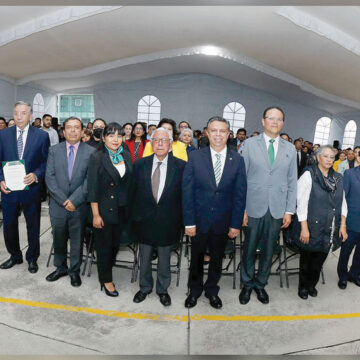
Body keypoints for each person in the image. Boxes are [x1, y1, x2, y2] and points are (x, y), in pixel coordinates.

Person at [183, 116, 247, 309]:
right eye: (214, 131)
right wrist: (189, 222)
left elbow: (240, 194)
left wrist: (236, 223)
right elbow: (187, 191)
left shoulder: (237, 159)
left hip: (223, 220)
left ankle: (212, 291)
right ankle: (194, 291)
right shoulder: (195, 156)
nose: (218, 135)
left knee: (217, 259)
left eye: (222, 131)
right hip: (199, 220)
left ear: (228, 134)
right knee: (196, 258)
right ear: (207, 133)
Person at [240, 106, 297, 305]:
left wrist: (289, 210)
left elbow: (292, 182)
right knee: (249, 248)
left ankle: (260, 284)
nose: (275, 122)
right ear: (263, 121)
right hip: (252, 206)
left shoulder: (290, 148)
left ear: (283, 123)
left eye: (279, 119)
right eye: (271, 118)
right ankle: (247, 284)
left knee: (269, 249)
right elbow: (241, 179)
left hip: (277, 208)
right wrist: (243, 209)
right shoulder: (248, 144)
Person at [132, 127, 186, 306]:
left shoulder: (181, 166)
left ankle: (162, 289)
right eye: (156, 140)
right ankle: (144, 287)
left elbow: (184, 197)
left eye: (164, 140)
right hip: (144, 220)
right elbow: (134, 192)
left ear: (170, 145)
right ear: (151, 144)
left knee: (164, 258)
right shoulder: (140, 164)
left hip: (169, 220)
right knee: (145, 257)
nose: (160, 143)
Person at [45, 117, 95, 287]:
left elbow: (90, 180)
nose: (73, 131)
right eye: (69, 128)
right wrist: (63, 200)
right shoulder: (54, 150)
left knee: (77, 239)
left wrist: (74, 200)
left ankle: (74, 271)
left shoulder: (90, 152)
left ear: (82, 132)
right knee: (58, 238)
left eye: (76, 128)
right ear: (63, 131)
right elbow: (49, 178)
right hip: (58, 205)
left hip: (79, 205)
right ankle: (60, 268)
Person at [0, 101, 50, 273]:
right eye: (16, 113)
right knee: (9, 226)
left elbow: (46, 162)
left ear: (30, 115)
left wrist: (36, 175)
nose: (19, 117)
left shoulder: (42, 136)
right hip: (9, 191)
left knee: (33, 225)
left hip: (32, 190)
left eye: (23, 113)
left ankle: (32, 258)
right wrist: (1, 179)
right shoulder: (3, 135)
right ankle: (15, 256)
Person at [295, 146, 347, 299]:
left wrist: (342, 225)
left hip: (330, 226)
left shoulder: (337, 178)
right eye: (326, 156)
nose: (329, 160)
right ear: (318, 157)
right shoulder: (309, 174)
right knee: (307, 260)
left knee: (319, 260)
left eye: (332, 157)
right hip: (311, 225)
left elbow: (342, 202)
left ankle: (312, 285)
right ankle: (303, 287)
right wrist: (304, 227)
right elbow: (301, 202)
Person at [88, 122, 132, 297]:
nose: (116, 139)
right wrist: (96, 214)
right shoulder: (97, 157)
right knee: (104, 247)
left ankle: (106, 270)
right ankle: (106, 280)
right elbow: (92, 189)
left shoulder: (126, 155)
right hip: (104, 210)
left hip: (122, 209)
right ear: (104, 137)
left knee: (115, 244)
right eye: (111, 135)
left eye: (119, 135)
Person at [337, 148, 360, 289]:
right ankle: (343, 276)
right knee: (346, 251)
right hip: (351, 221)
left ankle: (355, 274)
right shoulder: (349, 174)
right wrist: (342, 223)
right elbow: (343, 199)